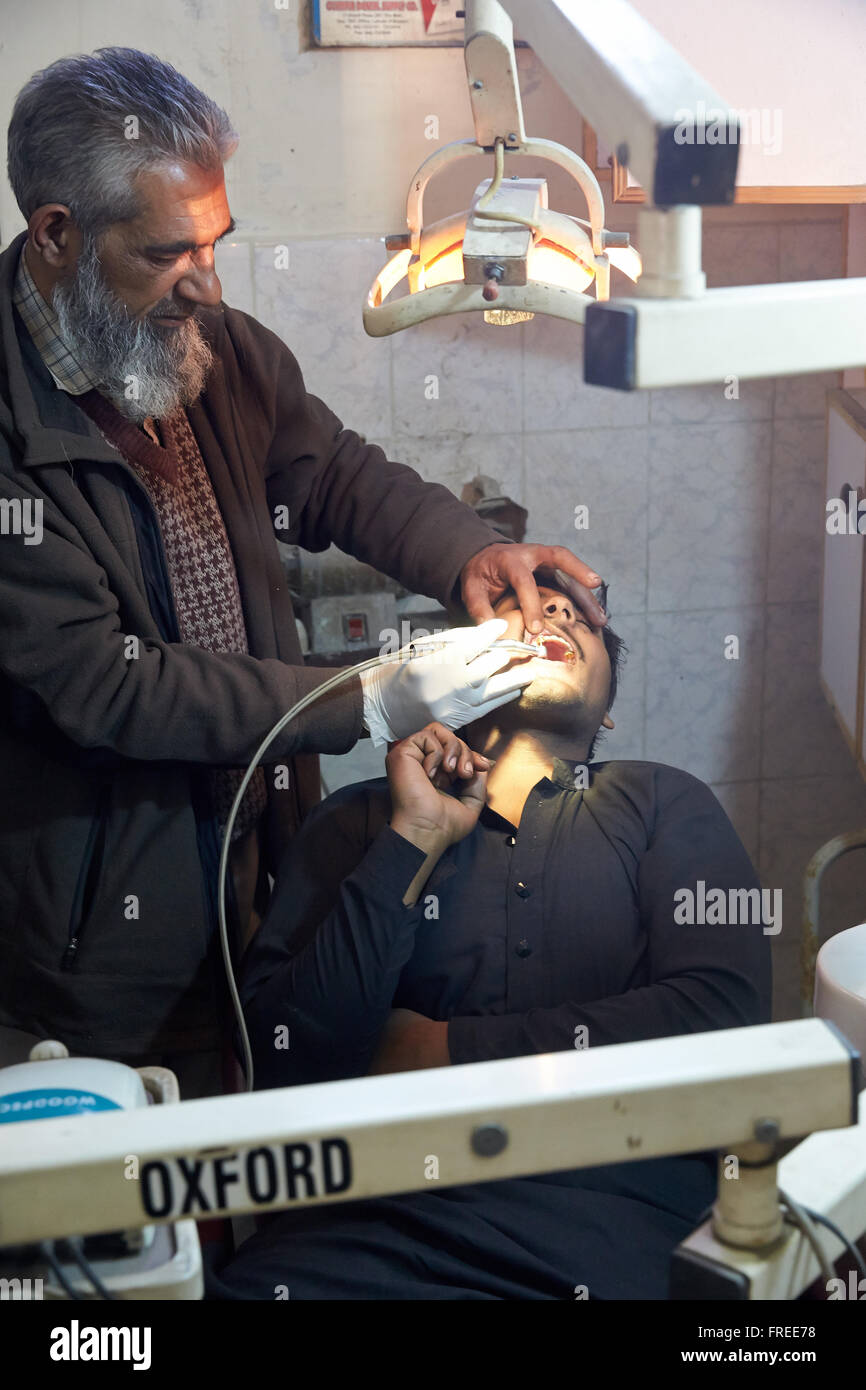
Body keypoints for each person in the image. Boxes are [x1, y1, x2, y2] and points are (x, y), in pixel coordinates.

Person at [0, 48, 607, 1092]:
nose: (208, 284)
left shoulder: (209, 346)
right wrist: (367, 698)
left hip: (259, 861)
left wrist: (469, 551)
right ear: (56, 234)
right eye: (166, 253)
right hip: (99, 934)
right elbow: (109, 683)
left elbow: (329, 475)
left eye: (217, 242)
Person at [209, 569, 772, 1299]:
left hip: (614, 1236)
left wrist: (442, 1051)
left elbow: (720, 1023)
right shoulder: (358, 823)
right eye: (519, 608)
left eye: (585, 621)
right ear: (454, 670)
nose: (559, 613)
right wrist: (413, 837)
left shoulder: (663, 801)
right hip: (353, 1240)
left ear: (605, 714)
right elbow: (286, 1063)